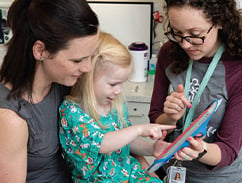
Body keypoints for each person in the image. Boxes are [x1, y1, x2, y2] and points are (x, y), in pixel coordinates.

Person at [149, 0, 242, 182]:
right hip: (170, 172)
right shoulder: (168, 53)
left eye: (195, 34)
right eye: (177, 33)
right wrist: (170, 117)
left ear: (220, 21)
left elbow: (227, 151)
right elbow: (155, 117)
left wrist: (200, 149)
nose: (185, 44)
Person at [0, 0, 99, 182]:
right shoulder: (10, 118)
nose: (88, 68)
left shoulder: (62, 81)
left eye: (91, 56)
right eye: (77, 60)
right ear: (40, 51)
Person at [58, 32, 177, 182]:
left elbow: (126, 141)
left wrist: (151, 149)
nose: (119, 90)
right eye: (113, 84)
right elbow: (102, 144)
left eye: (122, 83)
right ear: (87, 77)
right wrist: (139, 129)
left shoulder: (115, 104)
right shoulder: (71, 112)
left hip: (129, 175)